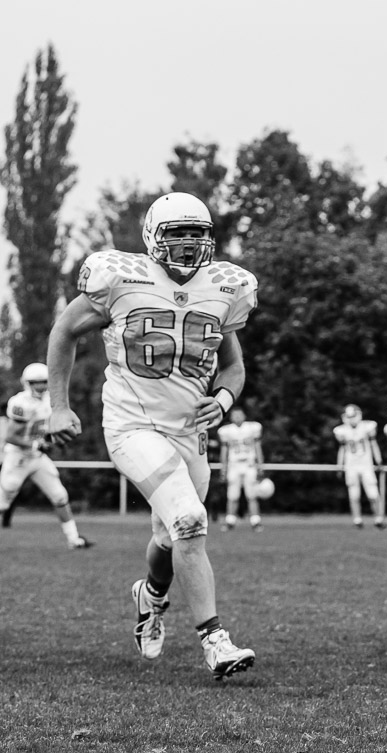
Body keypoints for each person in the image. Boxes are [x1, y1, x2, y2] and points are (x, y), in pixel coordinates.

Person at [45, 191, 255, 677]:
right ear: (152, 236)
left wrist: (222, 401)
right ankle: (215, 641)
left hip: (189, 432)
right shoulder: (123, 278)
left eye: (197, 232)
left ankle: (151, 594)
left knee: (170, 534)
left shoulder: (225, 287)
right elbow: (63, 331)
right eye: (176, 231)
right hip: (133, 426)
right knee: (189, 520)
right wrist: (58, 407)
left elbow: (234, 366)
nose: (188, 242)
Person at [0, 362, 91, 547]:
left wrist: (53, 439)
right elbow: (10, 436)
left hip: (37, 457)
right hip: (18, 457)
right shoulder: (21, 403)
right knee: (3, 502)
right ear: (27, 383)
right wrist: (36, 445)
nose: (41, 386)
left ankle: (74, 540)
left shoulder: (50, 400)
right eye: (36, 382)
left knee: (59, 496)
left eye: (44, 382)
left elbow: (47, 429)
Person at [334, 404, 384, 529]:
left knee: (373, 494)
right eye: (349, 416)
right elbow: (342, 449)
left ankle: (378, 519)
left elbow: (373, 444)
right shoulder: (342, 430)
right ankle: (357, 520)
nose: (351, 419)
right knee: (354, 494)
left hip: (366, 465)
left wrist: (379, 460)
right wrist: (340, 465)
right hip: (351, 466)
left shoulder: (367, 426)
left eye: (353, 416)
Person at [217, 406, 264, 531]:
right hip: (234, 465)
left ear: (244, 416)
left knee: (252, 495)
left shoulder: (252, 428)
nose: (237, 417)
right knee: (232, 495)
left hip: (249, 465)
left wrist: (260, 465)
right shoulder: (226, 431)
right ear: (231, 417)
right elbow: (224, 450)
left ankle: (256, 522)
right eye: (235, 415)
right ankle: (230, 521)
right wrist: (223, 469)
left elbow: (258, 447)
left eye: (239, 414)